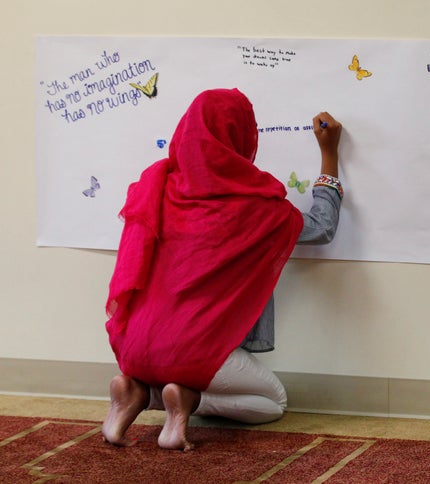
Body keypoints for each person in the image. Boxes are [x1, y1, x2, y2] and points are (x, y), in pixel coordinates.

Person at [101, 88, 344, 451]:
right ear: (242, 137)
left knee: (169, 366)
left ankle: (138, 391)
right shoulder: (256, 205)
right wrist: (329, 153)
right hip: (196, 350)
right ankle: (186, 400)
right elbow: (321, 227)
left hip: (133, 346)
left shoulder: (156, 185)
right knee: (273, 403)